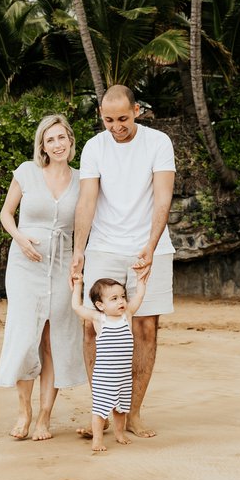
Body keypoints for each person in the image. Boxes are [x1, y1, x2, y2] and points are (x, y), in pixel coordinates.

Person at [69, 85, 176, 439]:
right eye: (108, 120)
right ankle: (102, 413)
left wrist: (150, 243)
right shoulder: (93, 147)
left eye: (123, 119)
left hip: (150, 248)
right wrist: (79, 249)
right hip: (103, 246)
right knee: (93, 327)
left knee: (145, 329)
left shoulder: (158, 143)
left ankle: (133, 413)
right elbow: (86, 201)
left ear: (137, 111)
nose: (116, 126)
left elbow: (163, 198)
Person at [0, 114, 86, 441]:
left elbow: (87, 222)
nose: (57, 144)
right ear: (42, 145)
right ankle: (24, 411)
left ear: (71, 141)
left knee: (54, 339)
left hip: (62, 264)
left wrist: (80, 259)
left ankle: (45, 416)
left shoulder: (82, 179)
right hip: (24, 263)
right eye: (50, 140)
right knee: (25, 337)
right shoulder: (27, 172)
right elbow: (6, 213)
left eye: (62, 137)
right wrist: (19, 238)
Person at [70, 273, 149, 452]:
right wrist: (78, 285)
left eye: (122, 297)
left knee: (121, 409)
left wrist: (140, 282)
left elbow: (139, 297)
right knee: (100, 409)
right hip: (104, 377)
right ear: (100, 305)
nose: (121, 301)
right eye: (114, 298)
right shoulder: (100, 319)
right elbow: (76, 307)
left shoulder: (126, 316)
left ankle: (119, 433)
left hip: (123, 377)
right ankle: (97, 440)